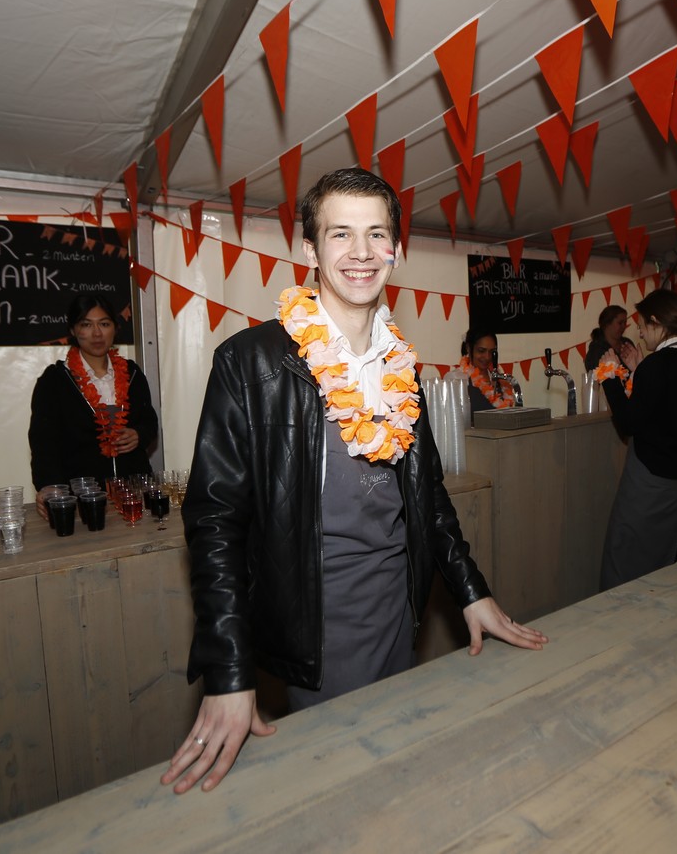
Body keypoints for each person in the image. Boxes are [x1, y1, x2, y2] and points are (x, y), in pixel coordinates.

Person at [163, 168, 546, 795]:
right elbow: (214, 523)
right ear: (310, 250)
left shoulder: (402, 366)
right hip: (320, 617)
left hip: (399, 606)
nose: (361, 252)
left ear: (395, 249)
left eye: (377, 234)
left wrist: (471, 592)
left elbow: (428, 498)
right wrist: (230, 671)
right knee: (347, 786)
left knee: (400, 772)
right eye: (341, 234)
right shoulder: (251, 363)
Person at [595, 288, 677, 591]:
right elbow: (667, 408)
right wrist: (638, 370)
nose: (639, 332)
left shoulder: (656, 365)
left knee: (626, 559)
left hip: (649, 485)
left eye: (642, 325)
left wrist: (609, 377)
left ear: (657, 322)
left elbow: (629, 423)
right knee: (669, 562)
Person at [28, 294, 158, 516]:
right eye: (86, 325)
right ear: (73, 330)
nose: (97, 334)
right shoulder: (54, 380)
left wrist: (139, 434)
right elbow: (43, 443)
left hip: (134, 494)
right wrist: (49, 485)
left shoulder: (132, 372)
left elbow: (149, 420)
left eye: (104, 324)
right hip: (83, 499)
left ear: (115, 328)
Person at [459, 329, 516, 411]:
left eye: (492, 352)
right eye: (481, 351)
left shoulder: (500, 378)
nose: (487, 357)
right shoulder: (457, 378)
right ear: (468, 348)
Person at [584, 305, 636, 372]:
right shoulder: (596, 350)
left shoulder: (627, 343)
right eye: (620, 323)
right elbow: (594, 375)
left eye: (625, 322)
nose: (624, 326)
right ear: (607, 324)